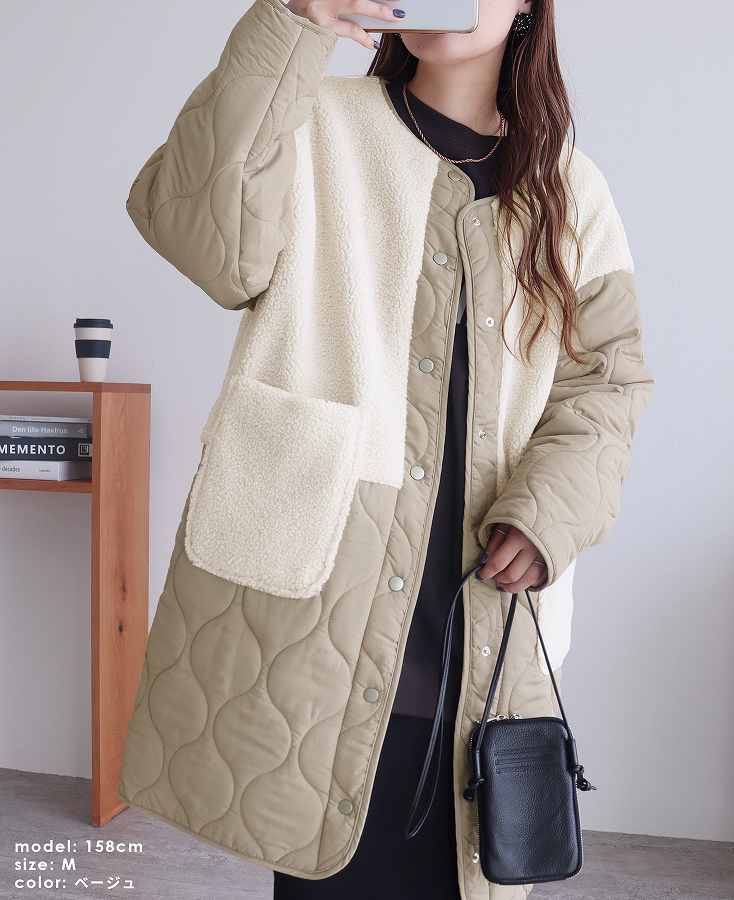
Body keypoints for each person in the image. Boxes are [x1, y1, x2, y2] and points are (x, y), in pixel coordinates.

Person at [117, 2, 654, 899]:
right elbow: (205, 244)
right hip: (322, 609)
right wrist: (290, 22)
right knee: (325, 862)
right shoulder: (309, 118)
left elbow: (608, 382)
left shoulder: (572, 191)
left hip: (484, 612)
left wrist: (550, 511)